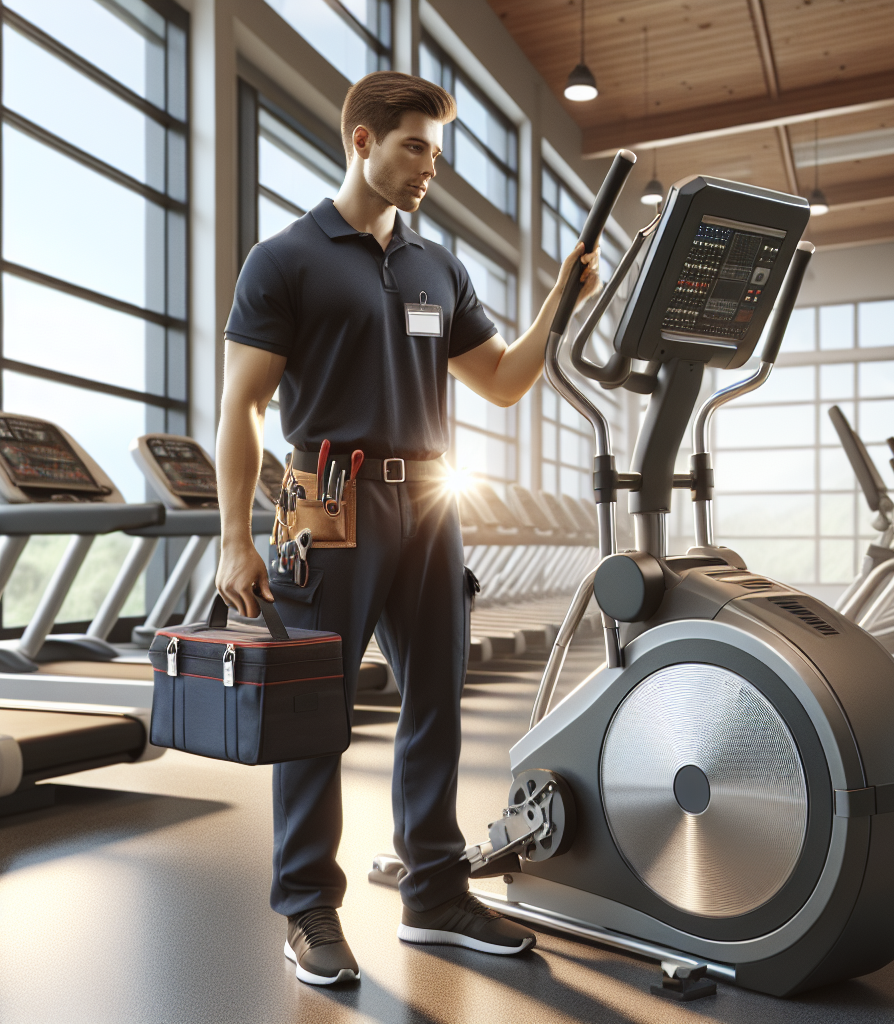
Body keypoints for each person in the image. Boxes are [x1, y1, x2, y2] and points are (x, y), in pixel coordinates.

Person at [216, 71, 599, 986]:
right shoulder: (286, 259)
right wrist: (236, 535)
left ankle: (433, 891)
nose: (430, 166)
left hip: (431, 502)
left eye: (436, 148)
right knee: (316, 711)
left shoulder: (437, 267)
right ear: (361, 141)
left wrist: (560, 301)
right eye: (414, 146)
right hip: (327, 499)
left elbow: (503, 378)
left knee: (437, 699)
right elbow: (243, 404)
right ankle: (308, 905)